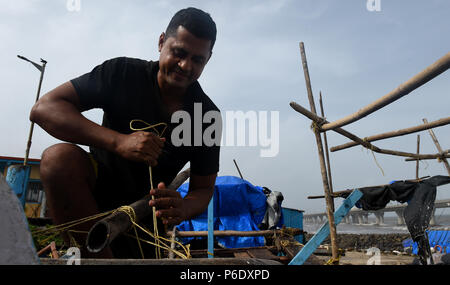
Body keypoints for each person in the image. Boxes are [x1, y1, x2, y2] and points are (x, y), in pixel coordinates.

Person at [30, 7, 221, 258]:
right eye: (179, 52)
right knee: (57, 159)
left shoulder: (206, 116)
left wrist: (183, 207)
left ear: (208, 58)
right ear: (161, 42)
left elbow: (203, 189)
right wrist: (118, 142)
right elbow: (44, 109)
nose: (185, 65)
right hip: (89, 203)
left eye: (198, 59)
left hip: (146, 220)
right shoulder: (122, 74)